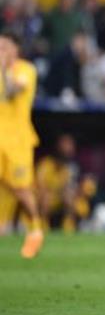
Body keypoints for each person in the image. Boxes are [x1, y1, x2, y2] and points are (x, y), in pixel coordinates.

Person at [0, 31, 44, 258]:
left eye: (5, 46)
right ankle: (3, 225)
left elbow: (10, 93)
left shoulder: (26, 70)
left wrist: (3, 69)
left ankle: (35, 229)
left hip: (18, 141)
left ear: (15, 49)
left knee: (21, 188)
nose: (1, 51)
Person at [36, 133, 96, 232]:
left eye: (70, 144)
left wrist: (76, 191)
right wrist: (56, 192)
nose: (68, 148)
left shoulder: (76, 163)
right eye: (64, 144)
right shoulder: (46, 163)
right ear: (58, 146)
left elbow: (87, 184)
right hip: (50, 197)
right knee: (46, 197)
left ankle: (69, 227)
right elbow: (40, 186)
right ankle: (43, 226)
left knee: (70, 196)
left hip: (70, 197)